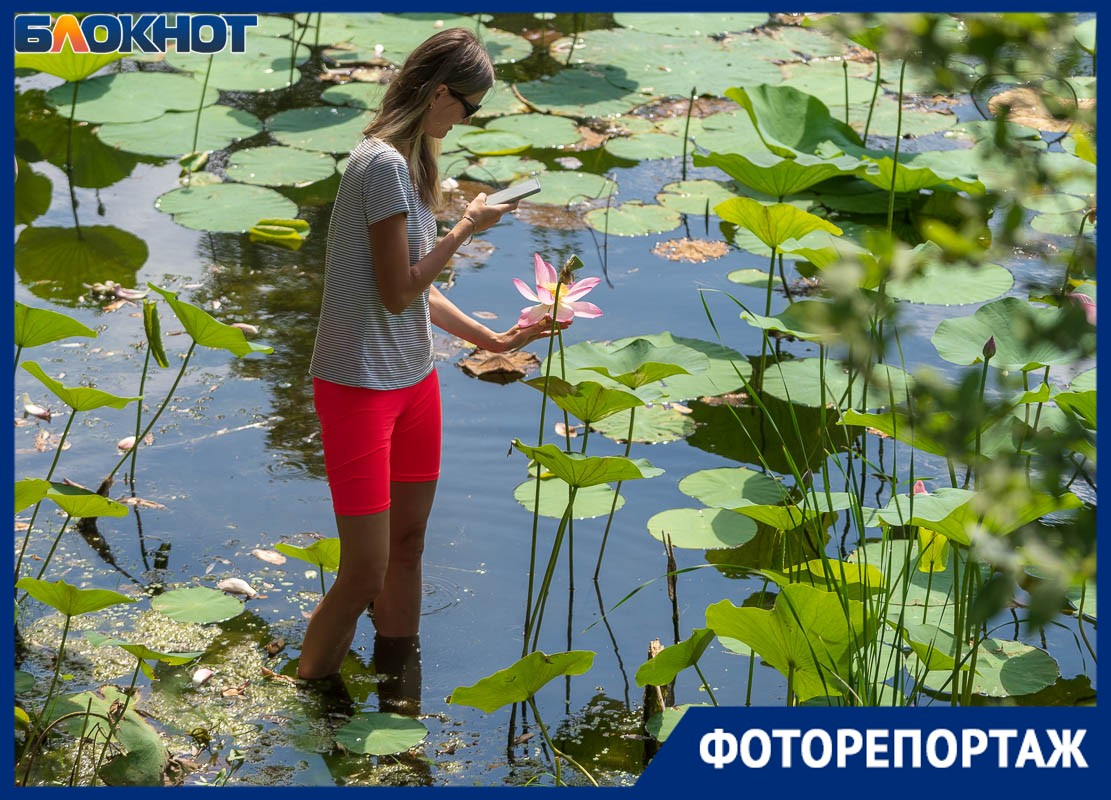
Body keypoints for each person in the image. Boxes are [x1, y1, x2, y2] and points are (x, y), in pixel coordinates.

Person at [299, 27, 561, 681]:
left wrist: (492, 340)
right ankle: (307, 691)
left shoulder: (412, 166)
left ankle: (397, 682)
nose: (468, 121)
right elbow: (396, 292)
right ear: (441, 93)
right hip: (357, 385)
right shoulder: (380, 164)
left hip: (413, 381)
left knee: (408, 548)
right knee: (363, 572)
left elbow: (419, 291)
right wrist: (467, 227)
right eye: (469, 108)